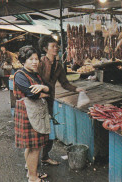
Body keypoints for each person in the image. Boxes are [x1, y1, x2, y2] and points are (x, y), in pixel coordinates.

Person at [38, 35, 84, 165]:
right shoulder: (40, 63)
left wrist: (76, 89)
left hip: (50, 100)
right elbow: (34, 80)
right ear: (45, 49)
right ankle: (32, 159)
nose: (56, 48)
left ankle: (45, 156)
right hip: (38, 100)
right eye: (53, 46)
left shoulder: (58, 66)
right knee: (37, 130)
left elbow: (64, 83)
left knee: (49, 129)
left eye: (56, 46)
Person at [14, 45, 50, 182]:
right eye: (31, 59)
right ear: (24, 61)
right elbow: (32, 94)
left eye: (36, 59)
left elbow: (48, 88)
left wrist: (43, 88)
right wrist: (44, 93)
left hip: (34, 112)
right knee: (34, 148)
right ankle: (34, 178)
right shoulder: (20, 75)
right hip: (27, 113)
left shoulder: (35, 74)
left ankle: (31, 173)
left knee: (32, 146)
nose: (35, 62)